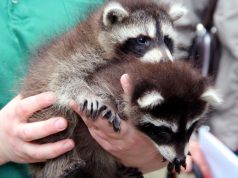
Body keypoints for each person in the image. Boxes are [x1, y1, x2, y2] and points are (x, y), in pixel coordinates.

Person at [0, 0, 167, 177]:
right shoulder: (88, 45)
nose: (164, 55)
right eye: (143, 40)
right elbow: (64, 79)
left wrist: (152, 152)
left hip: (107, 161)